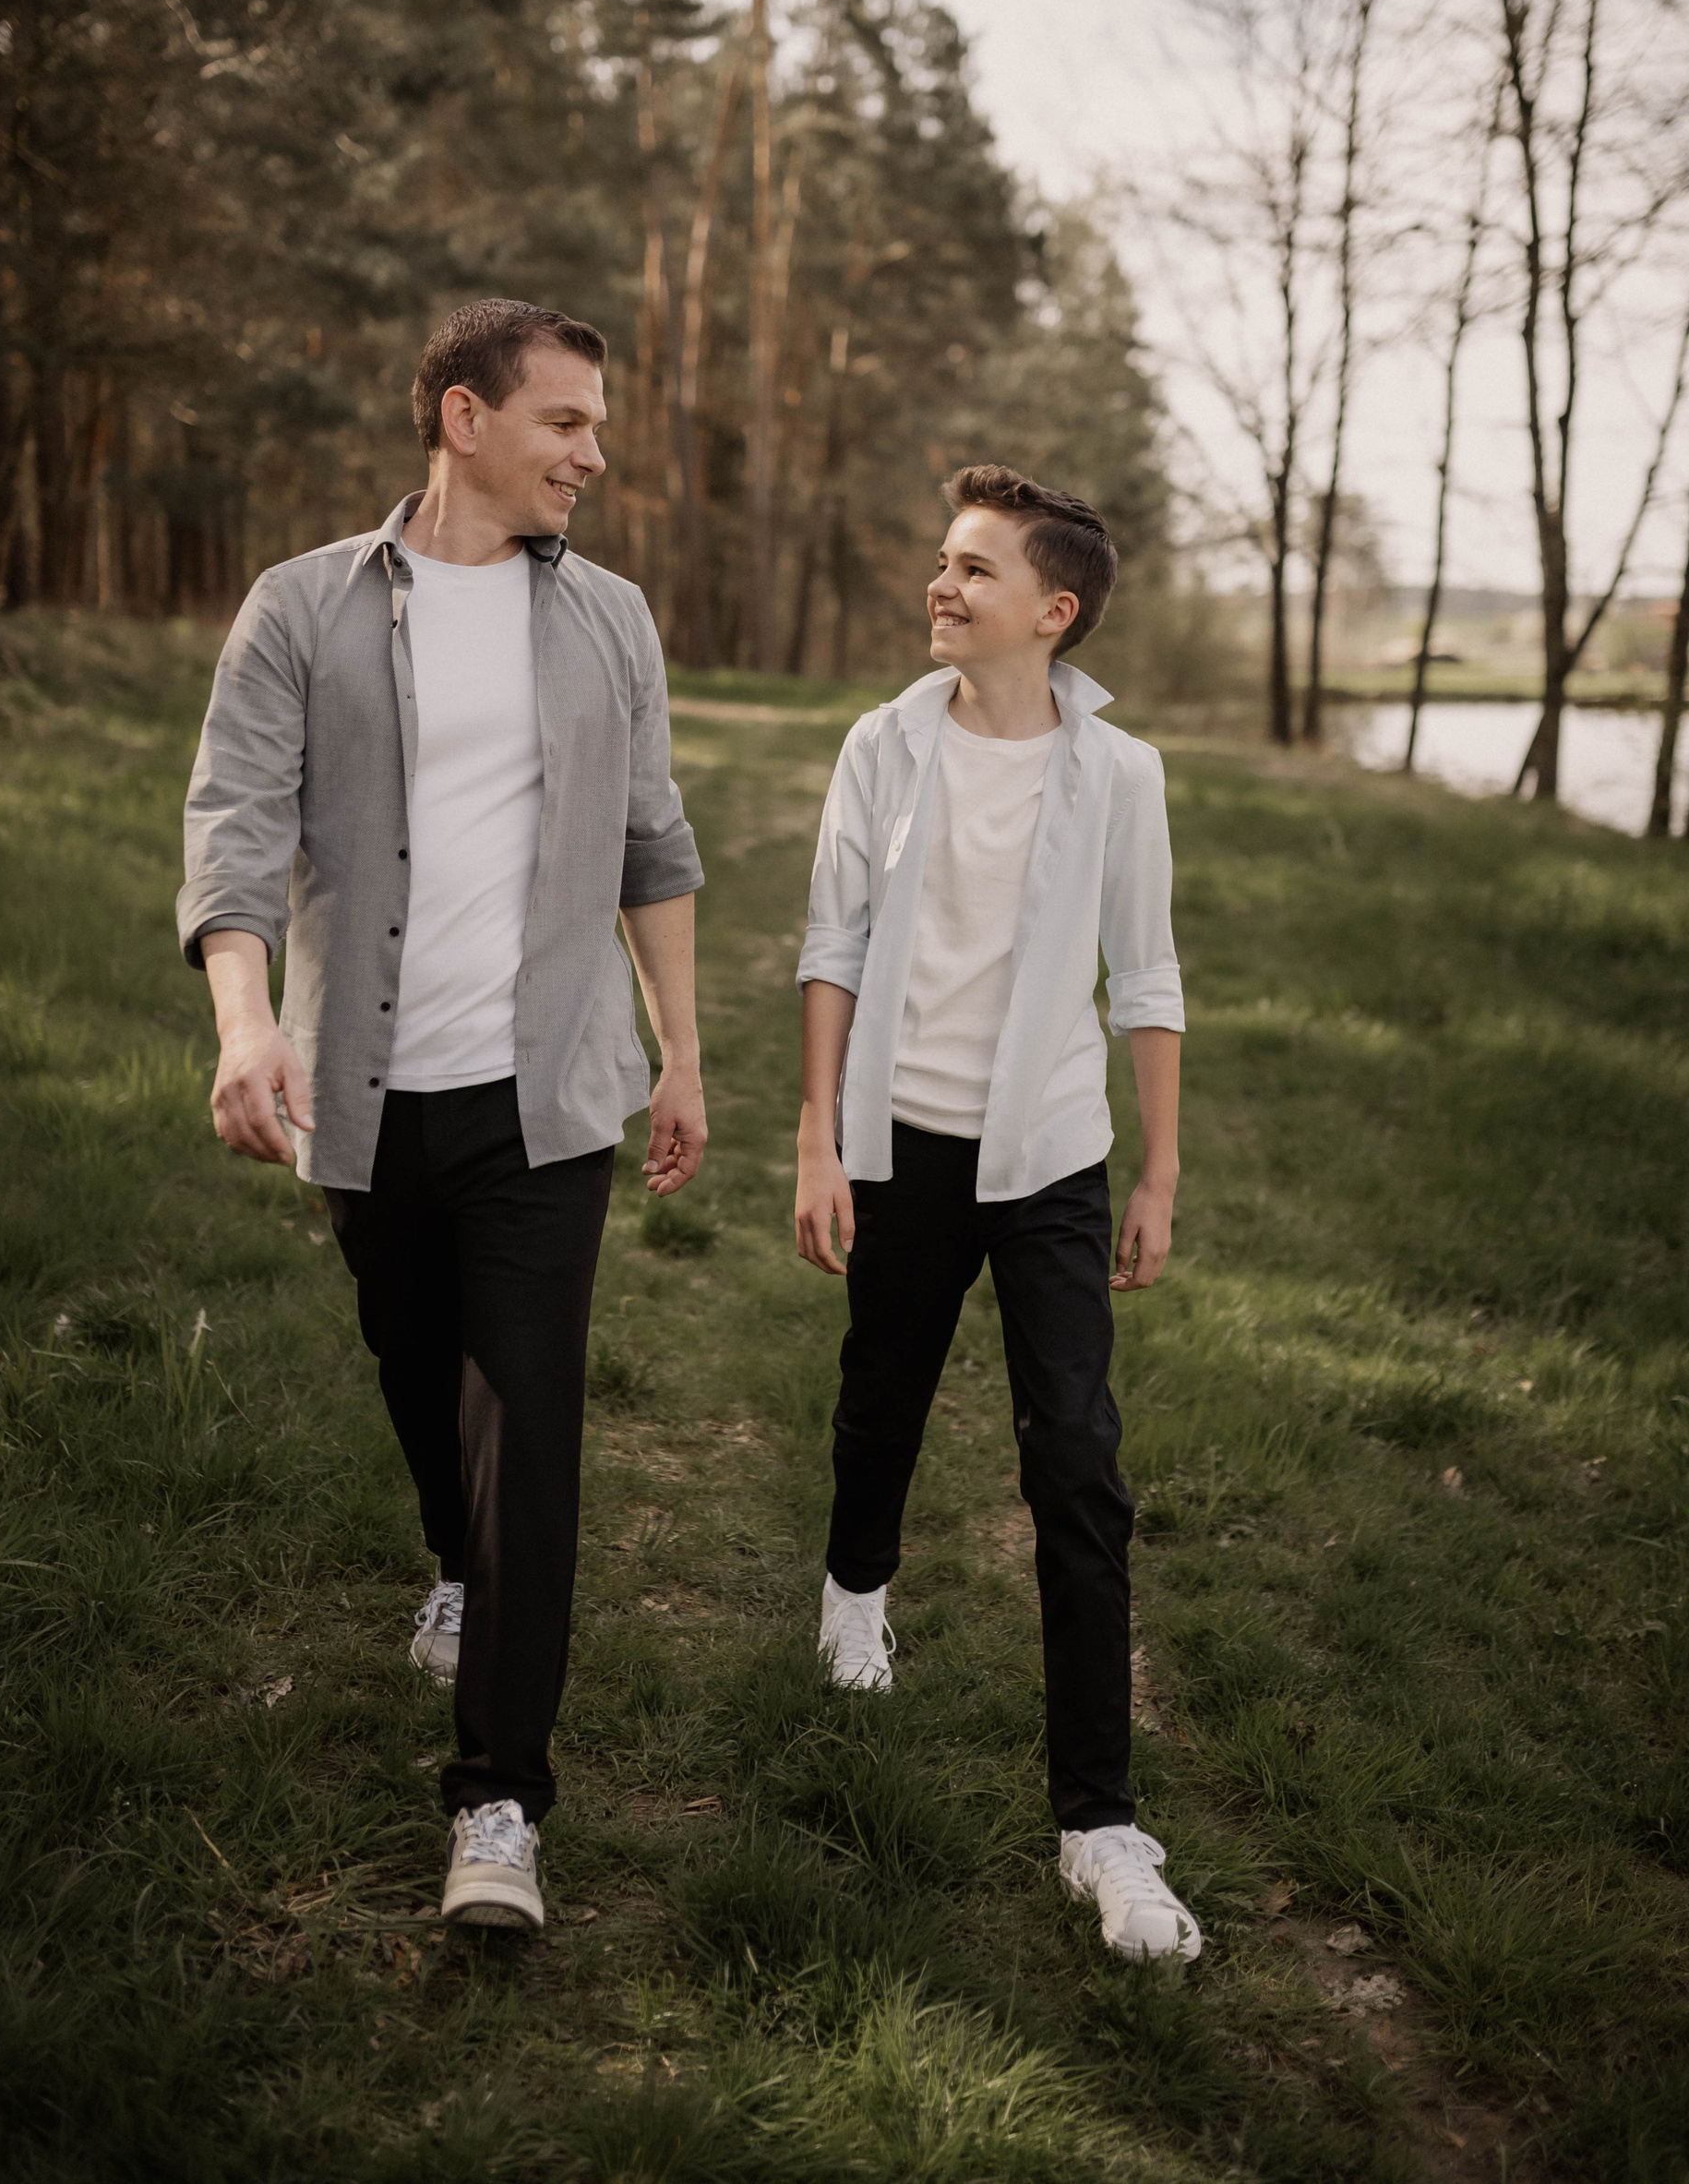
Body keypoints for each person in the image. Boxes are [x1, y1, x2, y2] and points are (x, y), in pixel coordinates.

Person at [177, 298, 706, 1935]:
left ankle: (499, 1801)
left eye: (598, 425)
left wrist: (682, 1049)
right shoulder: (303, 606)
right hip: (365, 1085)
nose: (593, 454)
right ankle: (456, 1562)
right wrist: (247, 1023)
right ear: (465, 418)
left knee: (525, 1427)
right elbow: (234, 826)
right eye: (566, 421)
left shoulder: (611, 617)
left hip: (547, 1097)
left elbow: (654, 840)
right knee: (421, 1375)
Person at [793, 462, 1200, 1962]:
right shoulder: (885, 743)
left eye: (975, 568)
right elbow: (833, 944)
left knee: (1078, 1465)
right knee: (882, 1390)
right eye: (942, 560)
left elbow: (1145, 976)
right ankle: (855, 1589)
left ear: (1054, 609)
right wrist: (820, 1137)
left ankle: (1100, 1823)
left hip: (1050, 1158)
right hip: (901, 1139)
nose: (942, 585)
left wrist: (1157, 1171)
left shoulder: (1123, 775)